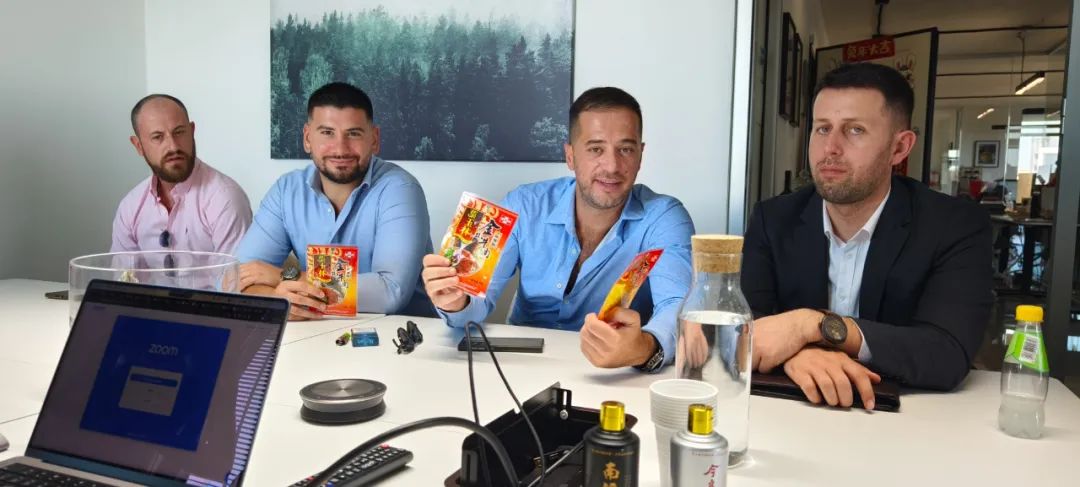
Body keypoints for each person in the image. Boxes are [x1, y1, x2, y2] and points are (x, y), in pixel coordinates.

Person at [741, 63, 993, 408]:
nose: (831, 148)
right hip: (796, 408)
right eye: (822, 129)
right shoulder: (773, 219)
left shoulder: (953, 225)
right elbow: (743, 328)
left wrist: (812, 326)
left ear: (899, 148)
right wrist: (796, 354)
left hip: (907, 416)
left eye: (855, 130)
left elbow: (947, 352)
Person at [421, 87, 694, 371]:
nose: (612, 166)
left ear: (640, 155)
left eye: (625, 149)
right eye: (596, 149)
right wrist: (457, 301)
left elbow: (677, 305)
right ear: (570, 156)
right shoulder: (523, 204)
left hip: (612, 372)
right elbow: (476, 302)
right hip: (520, 365)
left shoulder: (665, 217)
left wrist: (645, 348)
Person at [235, 82, 434, 320]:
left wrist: (287, 277)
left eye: (354, 133)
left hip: (401, 335)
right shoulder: (286, 191)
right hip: (315, 332)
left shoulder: (400, 189)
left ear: (374, 139)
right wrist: (281, 300)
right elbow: (236, 278)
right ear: (307, 138)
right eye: (327, 132)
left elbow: (390, 292)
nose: (340, 149)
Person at [112, 94, 252, 255]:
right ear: (138, 146)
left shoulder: (224, 198)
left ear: (192, 131)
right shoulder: (131, 207)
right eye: (158, 137)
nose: (173, 147)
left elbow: (235, 270)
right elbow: (124, 270)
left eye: (179, 132)